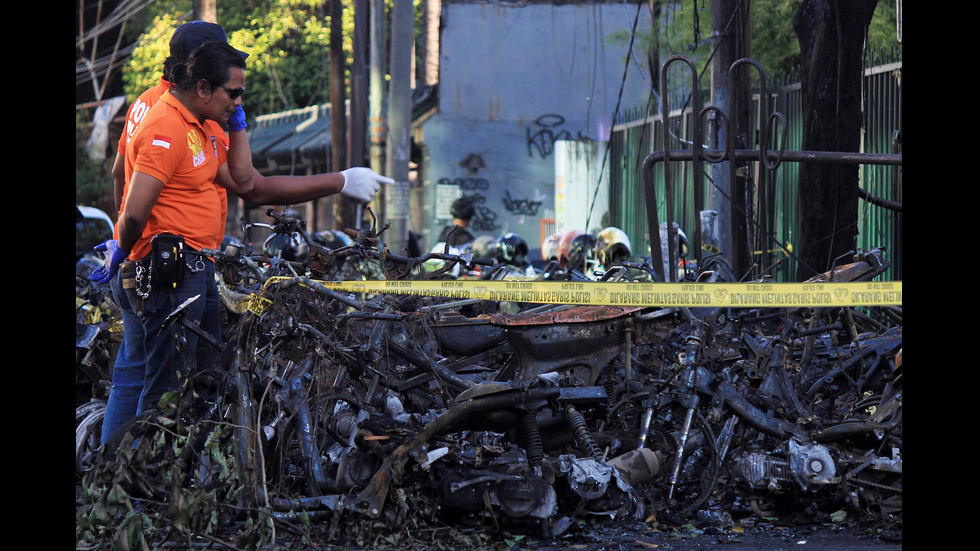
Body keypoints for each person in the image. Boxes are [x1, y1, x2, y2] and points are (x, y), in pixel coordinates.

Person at [96, 22, 392, 446]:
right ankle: (140, 488)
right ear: (200, 77)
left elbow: (124, 174)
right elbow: (241, 186)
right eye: (232, 89)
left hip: (173, 263)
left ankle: (115, 480)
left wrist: (125, 248)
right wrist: (127, 246)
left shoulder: (170, 110)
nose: (237, 98)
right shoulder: (169, 123)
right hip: (170, 268)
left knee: (140, 374)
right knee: (168, 389)